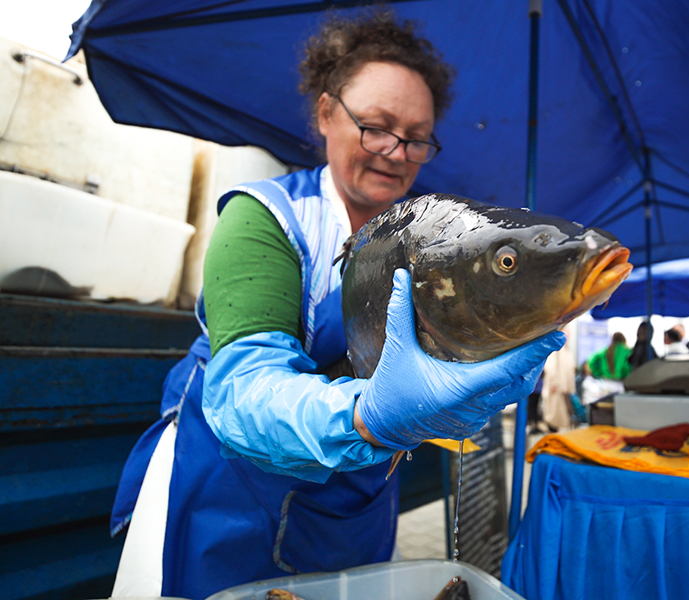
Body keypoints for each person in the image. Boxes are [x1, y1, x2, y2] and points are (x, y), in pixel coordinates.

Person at [109, 12, 564, 600]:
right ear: (326, 114)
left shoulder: (431, 237)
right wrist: (367, 417)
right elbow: (243, 391)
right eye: (376, 126)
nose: (395, 153)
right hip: (225, 496)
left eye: (417, 137)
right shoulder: (266, 219)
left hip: (354, 507)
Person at [540, 328, 577, 432]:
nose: (568, 337)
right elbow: (550, 367)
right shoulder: (556, 348)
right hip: (555, 388)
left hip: (562, 388)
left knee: (561, 415)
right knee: (554, 414)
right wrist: (553, 383)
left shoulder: (565, 349)